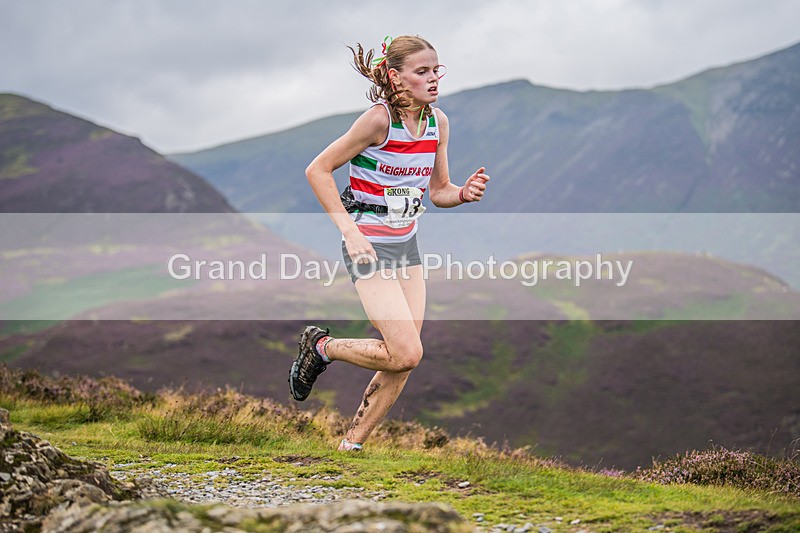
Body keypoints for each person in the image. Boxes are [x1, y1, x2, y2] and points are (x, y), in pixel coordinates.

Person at [289, 35, 490, 452]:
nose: (433, 79)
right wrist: (351, 232)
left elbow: (438, 191)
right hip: (368, 247)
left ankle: (351, 448)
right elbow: (318, 170)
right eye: (422, 72)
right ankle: (321, 346)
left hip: (407, 249)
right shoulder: (378, 120)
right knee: (405, 351)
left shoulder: (439, 123)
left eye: (437, 70)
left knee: (404, 359)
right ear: (395, 77)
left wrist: (463, 193)